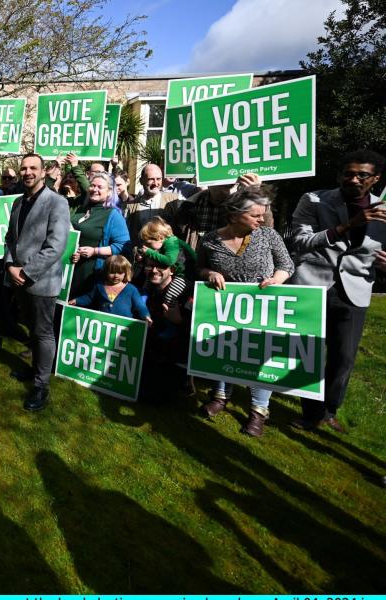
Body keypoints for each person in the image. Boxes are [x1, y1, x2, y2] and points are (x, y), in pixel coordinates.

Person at [286, 150, 386, 432]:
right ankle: (311, 412)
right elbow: (301, 242)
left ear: (375, 179)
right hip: (312, 284)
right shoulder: (314, 199)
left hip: (355, 289)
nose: (353, 179)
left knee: (344, 356)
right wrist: (346, 226)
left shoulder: (384, 210)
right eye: (348, 173)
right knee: (308, 352)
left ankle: (330, 409)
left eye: (362, 175)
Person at [197, 186, 294, 437]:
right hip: (226, 307)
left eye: (262, 215)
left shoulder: (268, 236)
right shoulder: (209, 240)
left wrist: (277, 279)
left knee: (260, 356)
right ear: (234, 215)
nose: (262, 219)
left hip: (262, 307)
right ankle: (220, 395)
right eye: (256, 215)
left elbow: (286, 265)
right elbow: (199, 268)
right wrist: (211, 273)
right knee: (224, 347)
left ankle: (258, 411)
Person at [3, 153, 71, 411]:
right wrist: (10, 265)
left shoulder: (57, 202)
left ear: (44, 172)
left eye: (33, 168)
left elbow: (56, 246)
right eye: (24, 168)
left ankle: (41, 386)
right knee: (32, 329)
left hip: (41, 280)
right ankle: (34, 371)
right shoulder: (19, 202)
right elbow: (11, 238)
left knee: (43, 333)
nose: (28, 172)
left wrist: (26, 272)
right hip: (18, 278)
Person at [138, 255, 193, 401]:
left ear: (172, 270)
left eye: (160, 266)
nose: (154, 270)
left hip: (175, 352)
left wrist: (179, 320)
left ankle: (184, 383)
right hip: (151, 347)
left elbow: (198, 330)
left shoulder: (186, 293)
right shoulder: (146, 289)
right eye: (150, 266)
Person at [69, 172, 130, 297]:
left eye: (100, 187)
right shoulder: (81, 209)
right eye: (92, 185)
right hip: (70, 270)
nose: (94, 189)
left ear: (109, 191)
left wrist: (95, 251)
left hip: (92, 275)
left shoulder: (113, 215)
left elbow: (124, 245)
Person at [174, 173, 273, 249]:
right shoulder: (190, 206)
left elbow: (266, 232)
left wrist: (256, 194)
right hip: (198, 267)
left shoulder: (241, 205)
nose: (229, 184)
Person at [136, 217, 196, 310]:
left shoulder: (172, 242)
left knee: (170, 295)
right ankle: (142, 305)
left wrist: (149, 252)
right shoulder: (162, 243)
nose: (147, 247)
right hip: (178, 272)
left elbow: (169, 260)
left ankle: (169, 313)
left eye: (148, 244)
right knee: (147, 284)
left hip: (187, 275)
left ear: (160, 238)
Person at [70, 255, 151, 321]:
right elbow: (89, 298)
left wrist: (146, 316)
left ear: (125, 273)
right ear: (106, 271)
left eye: (119, 273)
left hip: (123, 327)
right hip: (103, 323)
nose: (116, 276)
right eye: (112, 272)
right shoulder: (99, 286)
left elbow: (140, 305)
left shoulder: (131, 289)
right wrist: (77, 300)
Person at [123, 163, 180, 247]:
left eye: (158, 179)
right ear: (141, 180)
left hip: (167, 257)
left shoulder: (173, 201)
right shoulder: (131, 207)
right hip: (141, 256)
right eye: (151, 179)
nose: (155, 183)